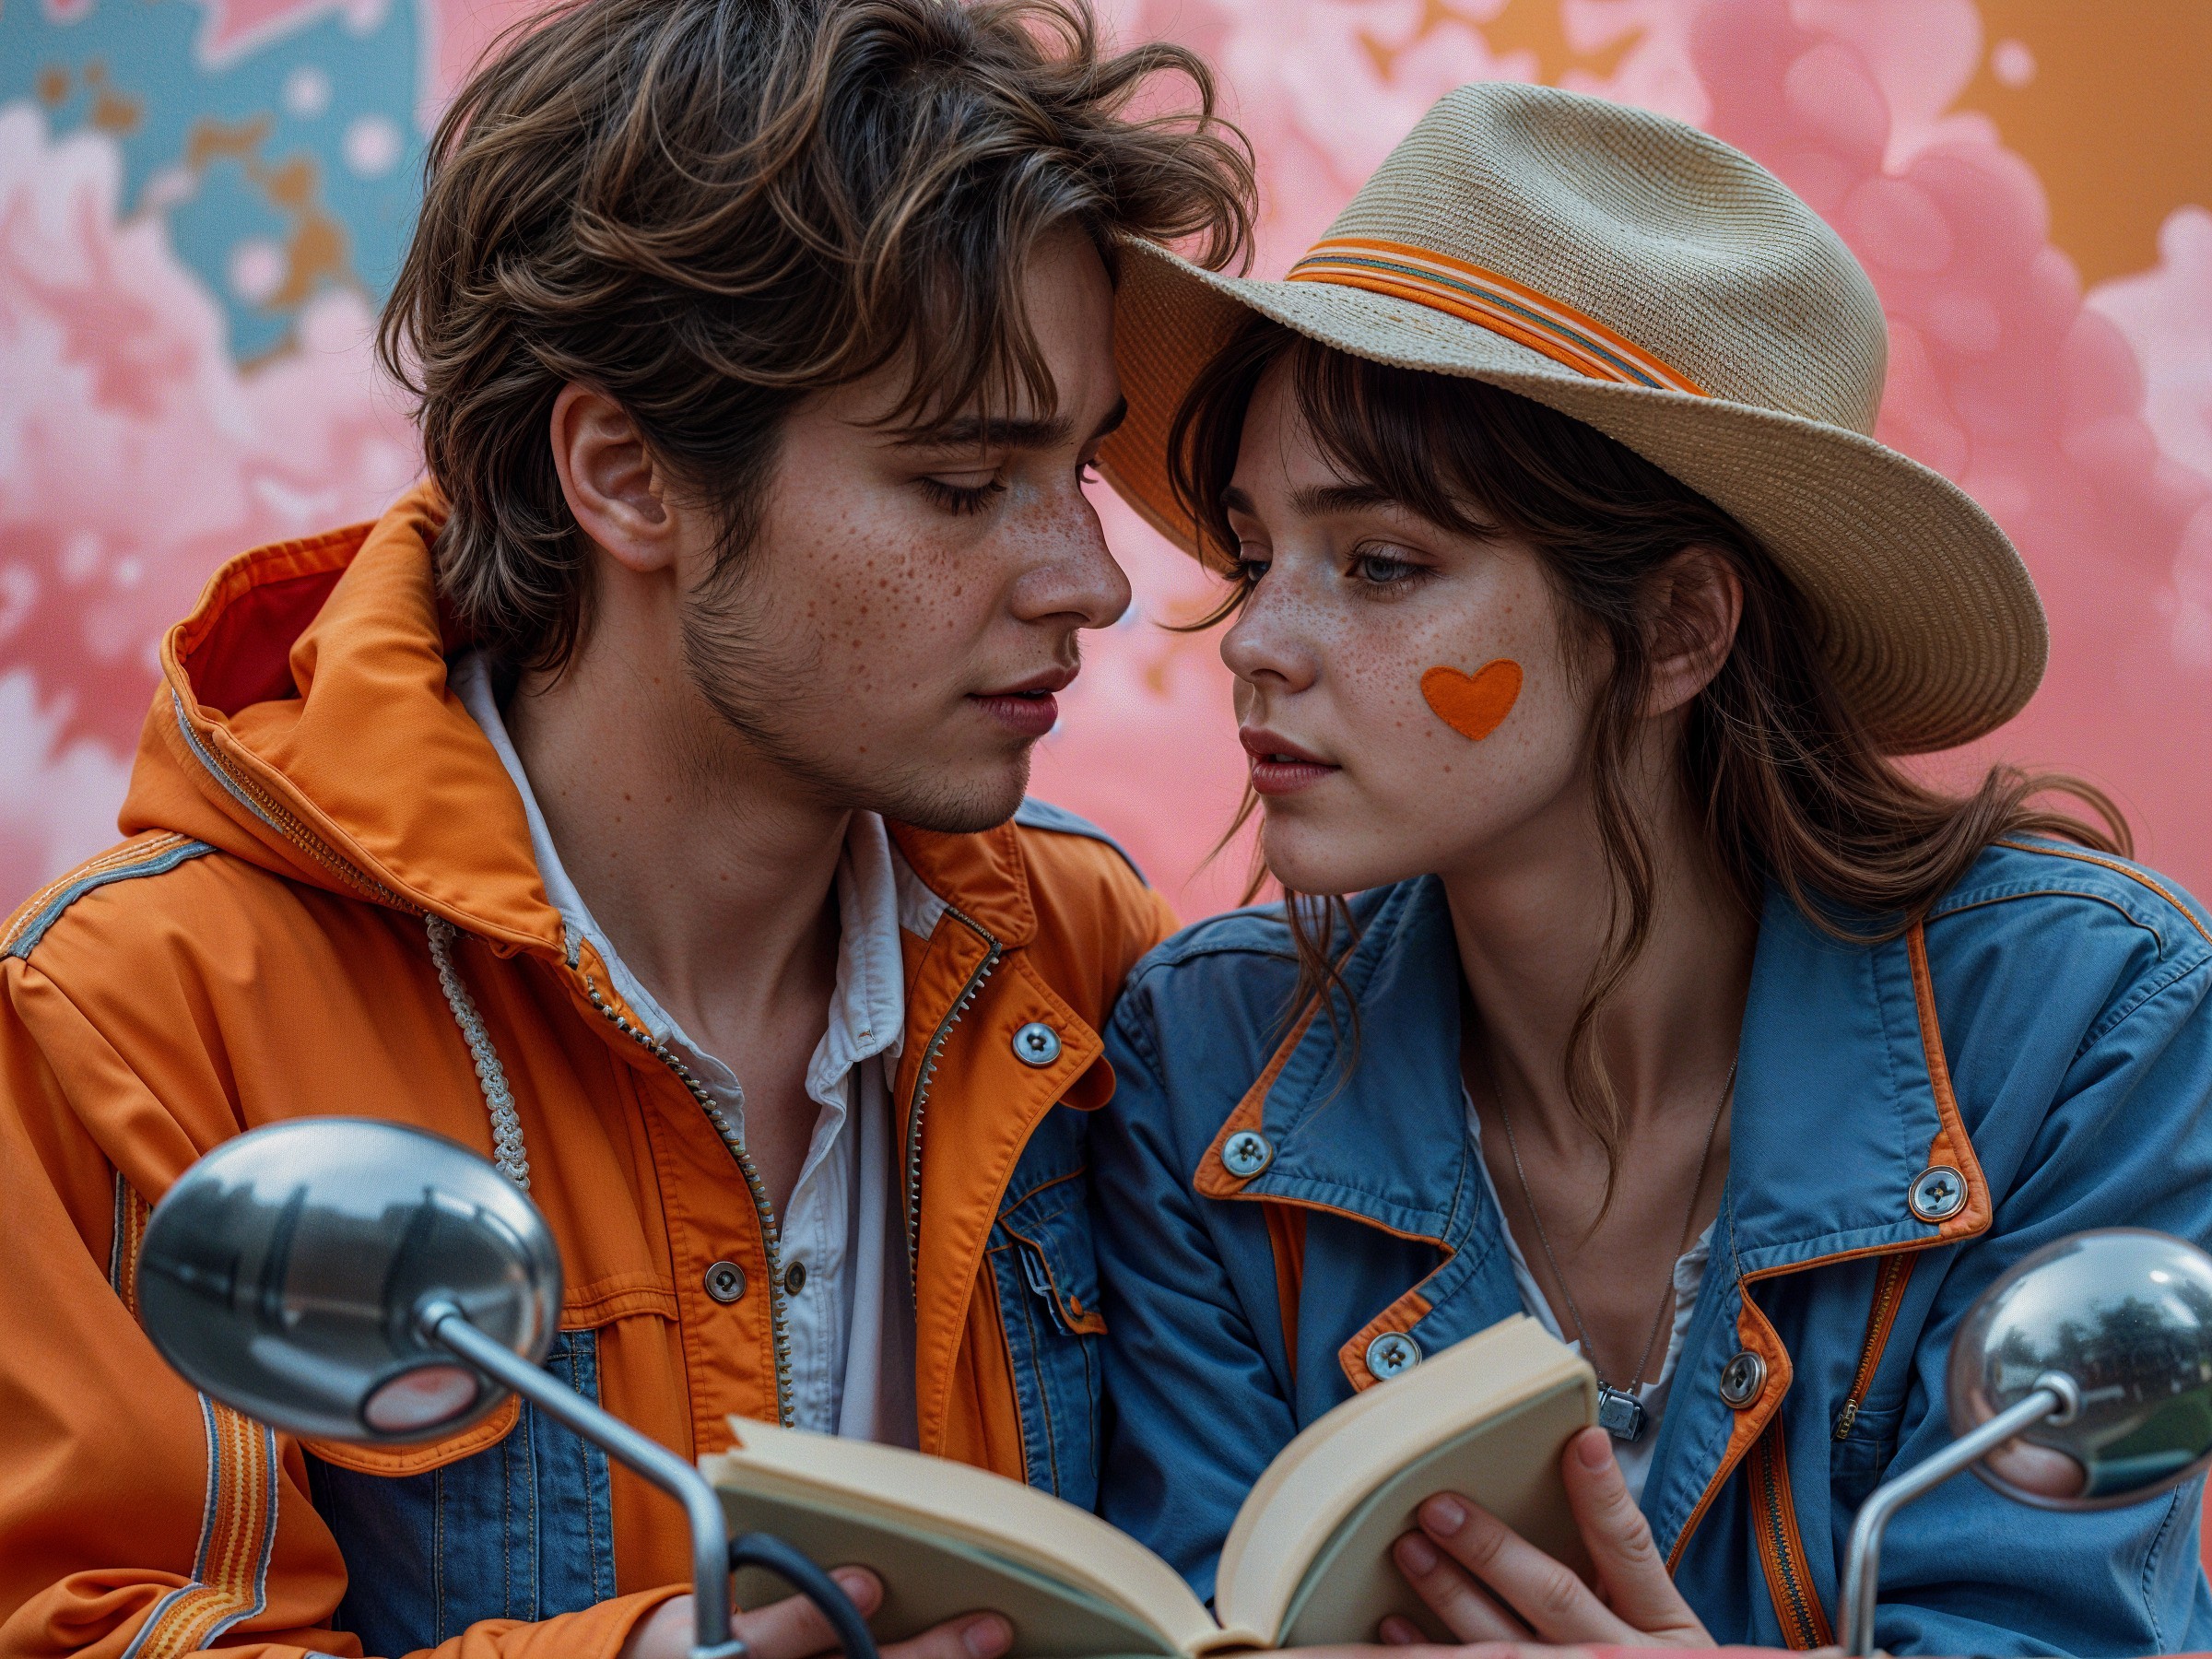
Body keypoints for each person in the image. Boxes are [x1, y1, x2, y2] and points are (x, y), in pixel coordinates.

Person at [0, 2, 1253, 1655]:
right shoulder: (141, 1016)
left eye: (1078, 476)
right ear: (627, 474)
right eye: (962, 485)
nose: (1090, 581)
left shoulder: (1089, 954)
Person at [1085, 81, 2212, 1655]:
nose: (1258, 645)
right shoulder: (1199, 1060)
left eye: (1385, 564)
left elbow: (2061, 1622)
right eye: (1258, 554)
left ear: (1680, 626)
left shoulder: (2085, 1022)